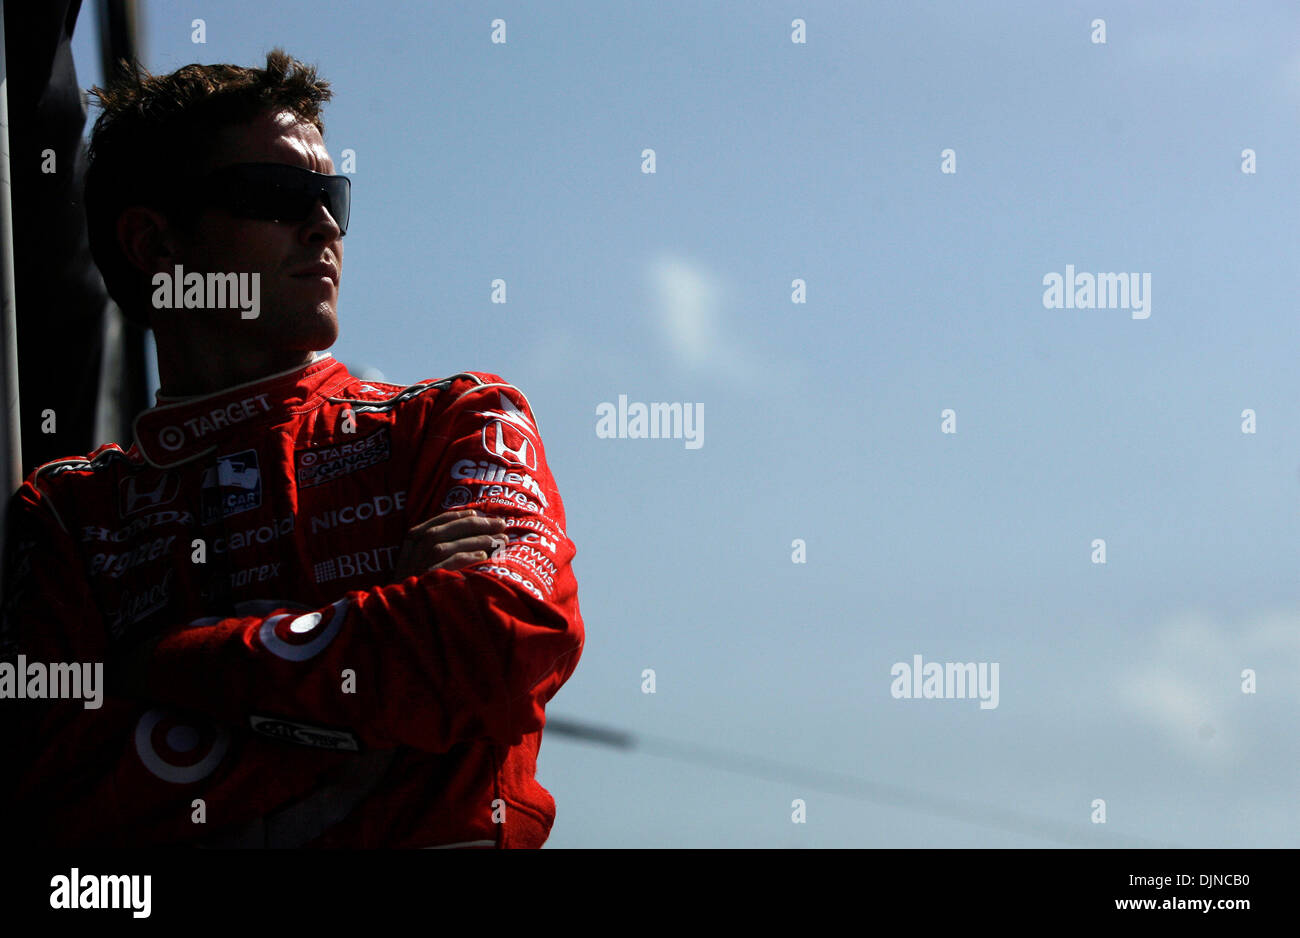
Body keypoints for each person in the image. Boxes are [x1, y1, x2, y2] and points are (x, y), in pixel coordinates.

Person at [0, 49, 584, 848]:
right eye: (276, 197)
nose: (325, 226)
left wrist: (166, 668)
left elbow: (495, 643)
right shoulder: (68, 513)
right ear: (152, 243)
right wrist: (387, 669)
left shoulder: (455, 421)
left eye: (332, 196)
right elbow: (46, 786)